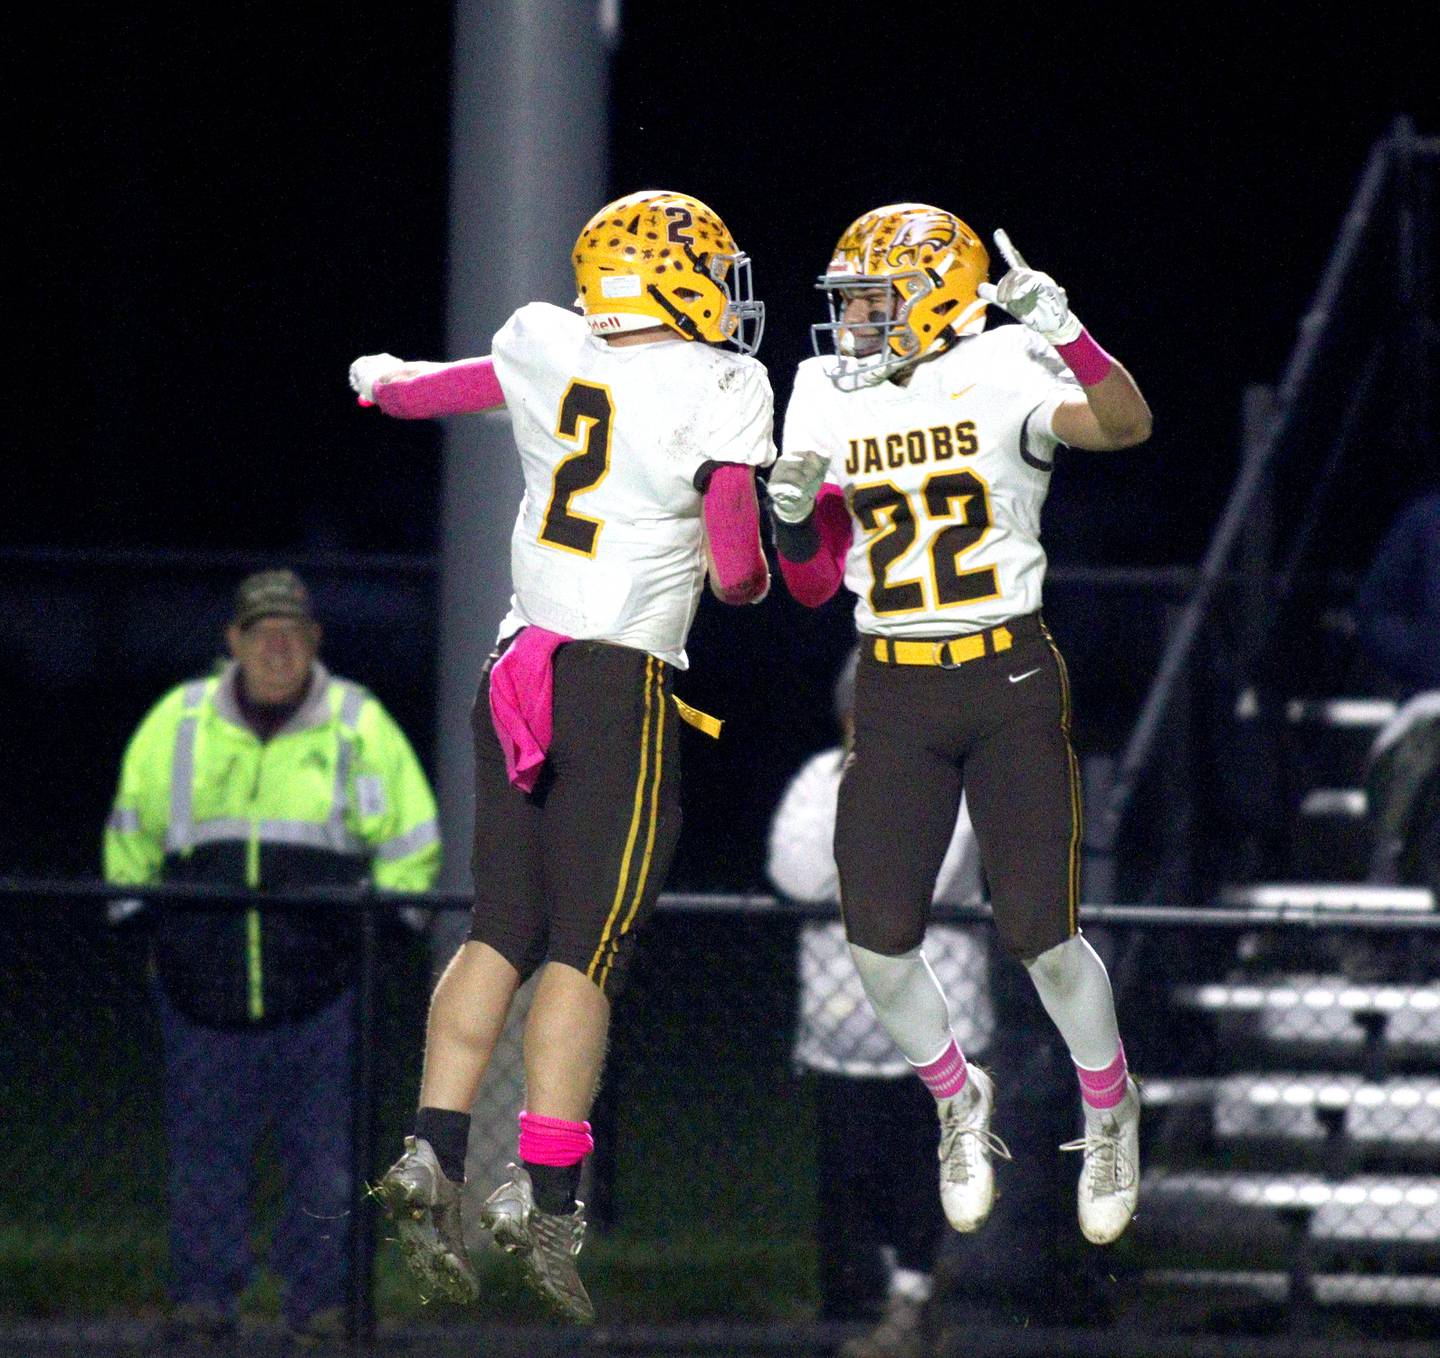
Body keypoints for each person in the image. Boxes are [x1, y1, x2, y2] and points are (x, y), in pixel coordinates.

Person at [349, 189, 773, 1323]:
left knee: (501, 924)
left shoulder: (545, 337)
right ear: (677, 278)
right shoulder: (722, 382)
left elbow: (434, 390)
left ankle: (432, 1143)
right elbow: (736, 565)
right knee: (589, 947)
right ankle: (545, 1192)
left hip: (514, 667)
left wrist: (375, 376)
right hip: (613, 681)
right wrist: (778, 525)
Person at [766, 204, 1153, 1248]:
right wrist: (794, 516)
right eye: (844, 303)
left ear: (933, 298)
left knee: (1041, 931)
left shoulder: (1006, 363)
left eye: (870, 301)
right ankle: (955, 1093)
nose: (848, 323)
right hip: (891, 679)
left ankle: (1109, 1105)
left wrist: (1068, 332)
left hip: (1008, 668)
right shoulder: (820, 394)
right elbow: (809, 584)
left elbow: (1126, 425)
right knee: (877, 937)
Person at [103, 569, 442, 1351]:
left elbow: (412, 842)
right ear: (233, 642)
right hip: (199, 994)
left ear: (315, 641)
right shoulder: (176, 722)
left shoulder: (361, 726)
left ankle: (319, 1310)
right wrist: (150, 931)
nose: (277, 647)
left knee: (327, 1168)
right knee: (203, 1165)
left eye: (291, 631)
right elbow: (129, 835)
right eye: (261, 632)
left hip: (321, 999)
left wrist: (383, 927)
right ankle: (202, 1304)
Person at [768, 647, 993, 1357]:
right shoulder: (815, 780)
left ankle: (913, 1307)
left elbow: (929, 873)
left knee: (921, 1179)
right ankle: (856, 1315)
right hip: (840, 1036)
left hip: (936, 1032)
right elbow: (791, 869)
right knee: (850, 1180)